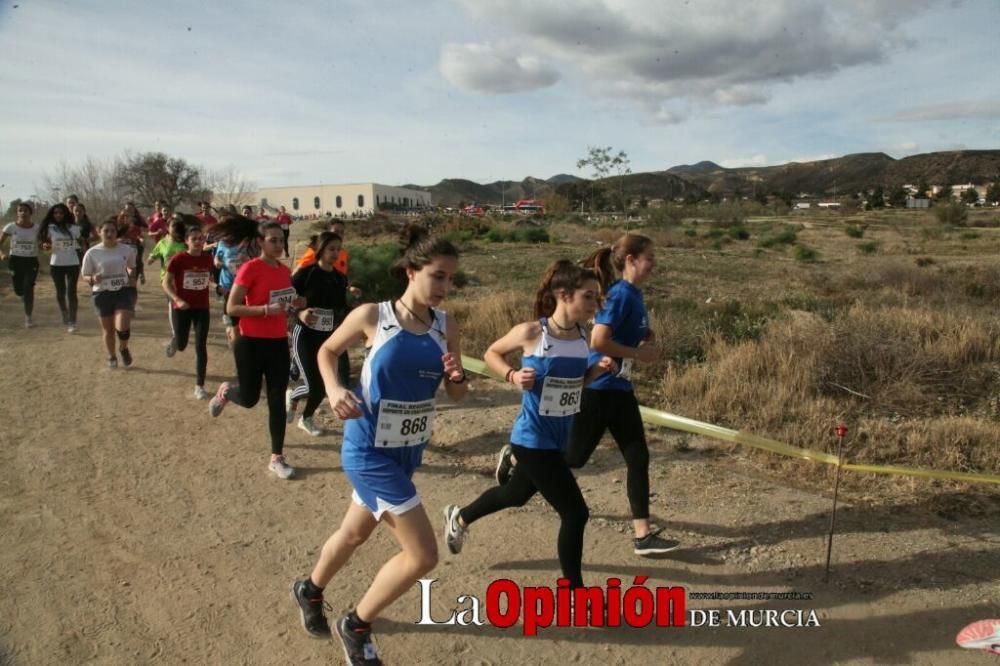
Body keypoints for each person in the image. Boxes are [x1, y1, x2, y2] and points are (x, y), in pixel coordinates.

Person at [290, 225, 467, 663]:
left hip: (405, 452)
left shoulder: (447, 326)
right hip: (367, 450)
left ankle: (309, 591)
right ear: (411, 271)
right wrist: (332, 390)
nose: (446, 287)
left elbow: (459, 393)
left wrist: (456, 376)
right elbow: (326, 352)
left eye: (451, 279)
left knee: (353, 535)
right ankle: (355, 624)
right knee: (423, 555)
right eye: (438, 276)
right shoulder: (374, 315)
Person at [443, 261, 614, 591]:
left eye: (596, 297)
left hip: (558, 439)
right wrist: (512, 375)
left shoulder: (583, 336)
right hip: (532, 440)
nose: (596, 304)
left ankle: (460, 517)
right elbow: (492, 353)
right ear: (564, 295)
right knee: (576, 514)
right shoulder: (533, 333)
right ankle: (577, 595)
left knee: (515, 494)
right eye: (589, 296)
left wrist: (597, 372)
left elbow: (575, 386)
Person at [566, 234, 679, 556]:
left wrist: (646, 335)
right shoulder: (619, 295)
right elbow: (598, 341)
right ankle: (519, 458)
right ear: (631, 259)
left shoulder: (634, 295)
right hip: (599, 388)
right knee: (573, 458)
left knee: (638, 457)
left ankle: (642, 535)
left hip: (621, 389)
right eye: (650, 257)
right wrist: (637, 353)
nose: (654, 264)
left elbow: (627, 331)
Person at [208, 220, 304, 479]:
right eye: (272, 240)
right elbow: (232, 308)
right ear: (260, 242)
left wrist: (295, 306)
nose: (278, 244)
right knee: (250, 399)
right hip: (250, 342)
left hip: (277, 344)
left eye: (280, 240)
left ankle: (277, 457)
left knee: (276, 400)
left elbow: (284, 304)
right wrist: (263, 310)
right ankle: (228, 391)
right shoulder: (250, 269)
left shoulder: (285, 271)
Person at [286, 231, 348, 436]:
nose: (335, 253)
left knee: (322, 388)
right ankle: (294, 395)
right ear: (320, 250)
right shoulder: (306, 273)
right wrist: (300, 313)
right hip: (303, 335)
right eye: (331, 249)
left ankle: (306, 418)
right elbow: (287, 299)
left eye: (338, 250)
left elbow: (341, 308)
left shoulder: (340, 278)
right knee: (314, 386)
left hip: (327, 339)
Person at [163, 224, 215, 400]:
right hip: (182, 307)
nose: (199, 242)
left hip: (202, 308)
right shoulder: (178, 259)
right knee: (182, 344)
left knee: (201, 346)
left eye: (201, 238)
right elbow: (166, 283)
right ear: (186, 241)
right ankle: (175, 341)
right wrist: (177, 299)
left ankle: (199, 386)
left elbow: (209, 280)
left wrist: (217, 287)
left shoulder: (208, 259)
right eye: (194, 239)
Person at [81, 217, 138, 368]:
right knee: (109, 330)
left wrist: (132, 275)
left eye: (113, 230)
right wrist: (92, 278)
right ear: (99, 232)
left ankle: (123, 348)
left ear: (116, 233)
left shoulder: (126, 250)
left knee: (123, 325)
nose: (110, 233)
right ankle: (112, 356)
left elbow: (132, 266)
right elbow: (85, 275)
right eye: (106, 230)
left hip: (122, 291)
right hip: (102, 294)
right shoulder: (92, 253)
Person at [212, 214, 258, 347]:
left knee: (247, 322)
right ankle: (234, 340)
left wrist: (248, 261)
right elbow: (217, 257)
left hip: (246, 287)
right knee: (235, 325)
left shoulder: (247, 242)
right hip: (228, 285)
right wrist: (217, 262)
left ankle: (237, 338)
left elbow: (257, 260)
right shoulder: (222, 243)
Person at [38, 203, 83, 332]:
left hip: (72, 263)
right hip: (56, 264)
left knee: (71, 292)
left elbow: (81, 242)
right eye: (55, 213)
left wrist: (80, 244)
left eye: (61, 213)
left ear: (66, 214)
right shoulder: (49, 228)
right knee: (60, 292)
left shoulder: (74, 228)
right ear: (52, 215)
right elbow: (43, 244)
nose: (58, 215)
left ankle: (72, 322)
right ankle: (64, 312)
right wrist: (45, 246)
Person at [149, 217, 189, 355]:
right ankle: (175, 334)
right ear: (168, 228)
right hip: (166, 279)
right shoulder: (162, 243)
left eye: (177, 227)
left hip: (184, 280)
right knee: (172, 304)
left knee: (183, 306)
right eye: (173, 226)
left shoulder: (185, 244)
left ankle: (181, 330)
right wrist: (151, 258)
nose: (175, 230)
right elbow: (152, 256)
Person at [0, 201, 41, 327]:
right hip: (15, 261)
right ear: (17, 213)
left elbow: (44, 243)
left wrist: (45, 245)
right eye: (20, 210)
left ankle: (28, 317)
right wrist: (1, 254)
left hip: (31, 261)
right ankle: (22, 295)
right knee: (19, 290)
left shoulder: (36, 228)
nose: (23, 213)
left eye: (25, 210)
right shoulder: (11, 227)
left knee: (29, 287)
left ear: (30, 213)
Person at [119, 203, 147, 285]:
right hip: (121, 254)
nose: (127, 217)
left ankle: (140, 274)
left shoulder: (138, 222)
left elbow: (142, 232)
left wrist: (142, 239)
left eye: (131, 210)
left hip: (133, 250)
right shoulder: (118, 225)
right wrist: (120, 240)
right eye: (126, 216)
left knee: (135, 265)